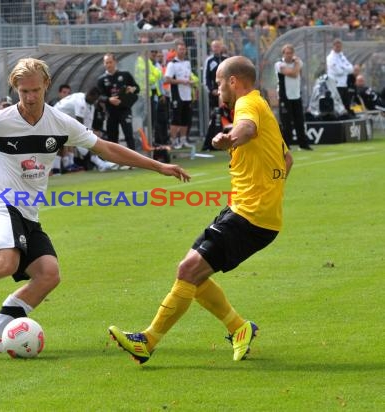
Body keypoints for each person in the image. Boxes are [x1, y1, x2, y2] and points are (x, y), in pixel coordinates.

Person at [0, 58, 190, 353]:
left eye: (35, 90)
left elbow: (106, 148)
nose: (30, 97)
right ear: (16, 89)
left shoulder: (60, 122)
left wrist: (157, 166)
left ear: (46, 86)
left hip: (28, 211)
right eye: (23, 91)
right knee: (5, 262)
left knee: (48, 274)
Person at [108, 56, 294, 364]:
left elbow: (245, 130)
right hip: (246, 210)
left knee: (188, 271)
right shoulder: (262, 107)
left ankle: (148, 341)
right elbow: (287, 160)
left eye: (219, 82)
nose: (217, 88)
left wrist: (229, 138)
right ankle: (238, 327)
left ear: (233, 81)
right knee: (191, 272)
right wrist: (268, 192)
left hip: (251, 216)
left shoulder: (247, 104)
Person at [54, 87, 118, 172]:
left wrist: (91, 138)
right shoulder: (80, 102)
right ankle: (100, 164)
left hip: (65, 120)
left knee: (76, 140)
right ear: (89, 95)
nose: (95, 101)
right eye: (94, 99)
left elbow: (88, 126)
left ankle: (68, 166)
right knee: (77, 140)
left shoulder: (91, 105)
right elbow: (80, 123)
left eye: (96, 99)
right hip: (56, 117)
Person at [97, 53, 140, 151]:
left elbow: (137, 88)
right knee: (112, 137)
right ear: (104, 64)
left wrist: (132, 89)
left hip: (125, 109)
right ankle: (115, 162)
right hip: (111, 111)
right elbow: (99, 96)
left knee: (128, 134)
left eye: (110, 62)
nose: (108, 65)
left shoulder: (125, 75)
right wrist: (109, 99)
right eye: (106, 63)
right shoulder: (101, 79)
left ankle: (133, 161)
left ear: (115, 62)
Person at [274, 44, 312, 151]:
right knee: (286, 123)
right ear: (283, 54)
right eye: (287, 53)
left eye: (291, 53)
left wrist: (296, 65)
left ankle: (303, 144)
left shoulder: (298, 62)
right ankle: (286, 145)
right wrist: (296, 65)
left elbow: (296, 71)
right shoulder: (279, 64)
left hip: (296, 95)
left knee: (299, 121)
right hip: (284, 96)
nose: (289, 55)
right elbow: (293, 73)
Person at [164, 41, 196, 150]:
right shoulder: (172, 64)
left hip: (187, 94)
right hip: (177, 94)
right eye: (180, 49)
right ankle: (173, 140)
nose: (182, 51)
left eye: (184, 49)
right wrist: (182, 81)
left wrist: (191, 83)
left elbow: (189, 77)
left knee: (185, 118)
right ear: (176, 51)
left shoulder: (187, 62)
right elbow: (167, 79)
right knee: (176, 118)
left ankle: (183, 140)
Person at [326, 38, 353, 114]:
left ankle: (347, 118)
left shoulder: (342, 56)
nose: (339, 48)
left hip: (344, 84)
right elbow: (338, 71)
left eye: (340, 46)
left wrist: (343, 68)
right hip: (335, 85)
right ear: (333, 46)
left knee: (346, 104)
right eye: (337, 46)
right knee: (337, 105)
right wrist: (345, 69)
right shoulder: (330, 58)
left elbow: (351, 68)